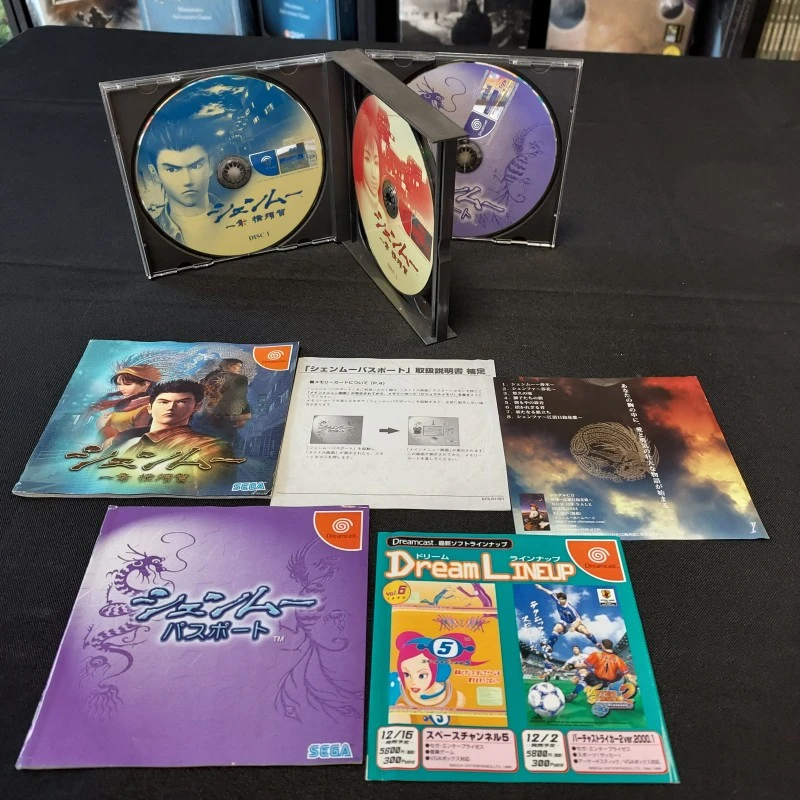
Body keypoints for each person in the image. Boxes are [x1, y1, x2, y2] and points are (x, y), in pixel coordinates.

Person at [109, 380, 240, 487]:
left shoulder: (210, 447)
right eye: (164, 402)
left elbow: (207, 493)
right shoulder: (126, 439)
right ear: (149, 407)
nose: (171, 407)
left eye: (182, 402)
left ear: (197, 407)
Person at [142, 121, 220, 250]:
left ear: (210, 165)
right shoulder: (149, 234)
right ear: (154, 173)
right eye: (172, 170)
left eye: (196, 166)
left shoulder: (241, 209)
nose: (187, 180)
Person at [90, 363, 161, 447]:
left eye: (127, 384)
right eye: (119, 384)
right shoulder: (123, 404)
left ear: (146, 384)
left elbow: (139, 439)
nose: (121, 388)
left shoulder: (147, 408)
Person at [535, 584, 599, 656]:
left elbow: (579, 620)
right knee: (556, 628)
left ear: (565, 599)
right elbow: (550, 593)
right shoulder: (557, 601)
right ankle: (549, 646)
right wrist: (541, 588)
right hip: (564, 622)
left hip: (574, 623)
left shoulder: (570, 608)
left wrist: (574, 627)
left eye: (562, 599)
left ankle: (596, 643)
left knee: (586, 632)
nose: (560, 601)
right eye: (559, 599)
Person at [199, 358, 252, 436]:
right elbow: (239, 396)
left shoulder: (209, 377)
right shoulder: (239, 378)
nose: (240, 369)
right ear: (229, 366)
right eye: (238, 366)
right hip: (225, 418)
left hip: (205, 415)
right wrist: (242, 417)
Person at [566, 639, 631, 702]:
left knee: (586, 679)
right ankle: (620, 693)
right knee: (620, 676)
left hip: (597, 681)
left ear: (603, 646)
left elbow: (584, 665)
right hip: (610, 683)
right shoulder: (618, 659)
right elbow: (627, 675)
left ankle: (574, 693)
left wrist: (572, 666)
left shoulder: (597, 654)